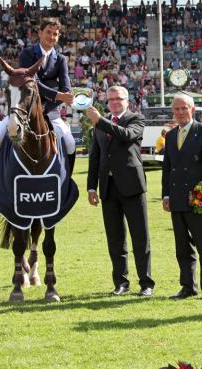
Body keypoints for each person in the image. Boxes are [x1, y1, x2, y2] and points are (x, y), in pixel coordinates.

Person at [86, 86, 155, 297]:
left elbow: (126, 136)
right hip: (108, 188)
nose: (114, 102)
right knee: (115, 239)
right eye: (110, 99)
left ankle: (146, 283)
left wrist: (100, 121)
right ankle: (121, 282)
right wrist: (91, 186)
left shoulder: (136, 119)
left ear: (127, 101)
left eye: (118, 99)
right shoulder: (100, 124)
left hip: (132, 186)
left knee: (140, 237)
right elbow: (95, 157)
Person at [0, 18, 76, 171]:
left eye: (55, 34)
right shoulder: (27, 54)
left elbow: (66, 87)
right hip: (24, 107)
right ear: (40, 33)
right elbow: (33, 83)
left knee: (70, 142)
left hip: (50, 110)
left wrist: (51, 105)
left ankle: (67, 180)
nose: (51, 37)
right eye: (48, 32)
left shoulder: (61, 59)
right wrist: (59, 95)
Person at [162, 93, 202, 300]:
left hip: (198, 198)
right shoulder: (169, 136)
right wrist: (166, 195)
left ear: (193, 109)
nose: (180, 112)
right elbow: (167, 169)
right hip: (177, 199)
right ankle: (187, 286)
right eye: (176, 109)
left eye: (184, 108)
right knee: (182, 248)